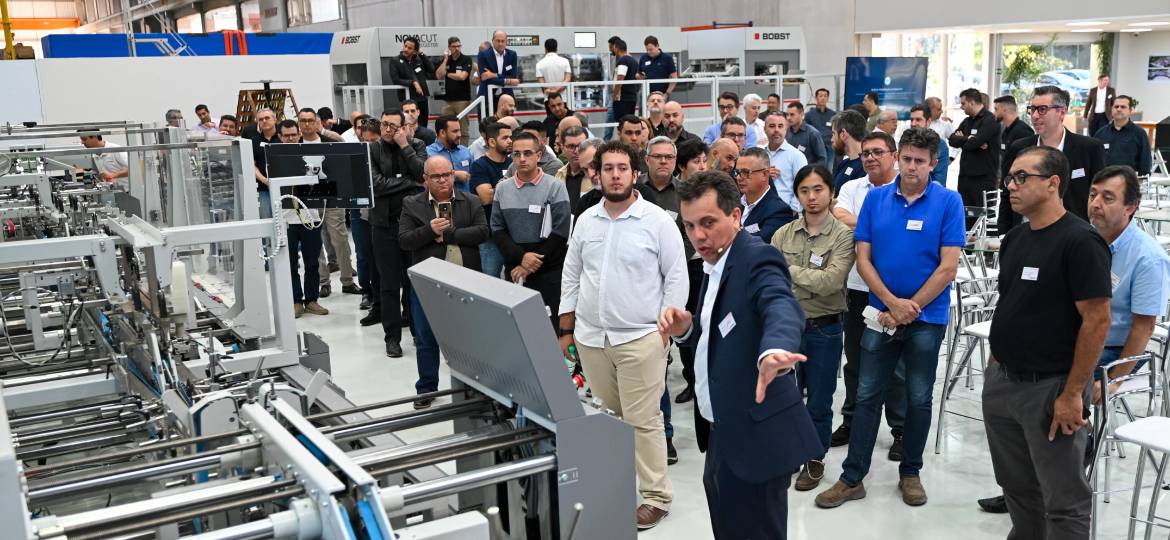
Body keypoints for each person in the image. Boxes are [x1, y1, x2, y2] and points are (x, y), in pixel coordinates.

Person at [658, 170, 821, 540]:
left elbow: (779, 304)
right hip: (722, 432)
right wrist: (687, 330)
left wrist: (775, 349)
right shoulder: (714, 263)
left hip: (755, 439)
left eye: (708, 223)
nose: (698, 236)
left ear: (735, 216)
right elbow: (721, 335)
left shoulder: (757, 258)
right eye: (689, 226)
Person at [816, 128, 964, 510]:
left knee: (919, 397)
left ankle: (910, 473)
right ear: (898, 158)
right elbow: (863, 259)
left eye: (920, 161)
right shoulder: (876, 199)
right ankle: (852, 478)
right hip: (880, 314)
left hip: (926, 317)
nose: (912, 167)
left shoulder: (949, 202)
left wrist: (909, 307)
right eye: (907, 158)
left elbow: (948, 268)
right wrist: (891, 304)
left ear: (934, 163)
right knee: (866, 394)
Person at [982, 145, 1111, 539]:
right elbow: (1011, 303)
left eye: (1022, 177)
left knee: (1064, 499)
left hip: (1052, 388)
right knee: (1017, 486)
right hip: (1004, 381)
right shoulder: (1015, 239)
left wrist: (1073, 393)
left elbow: (1097, 319)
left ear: (1054, 183)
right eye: (1010, 178)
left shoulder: (1080, 241)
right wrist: (995, 365)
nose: (1011, 186)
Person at [560, 140, 686, 530]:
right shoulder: (587, 220)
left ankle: (656, 497)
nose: (615, 175)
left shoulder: (657, 221)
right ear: (596, 174)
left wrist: (663, 330)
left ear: (634, 173)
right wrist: (566, 328)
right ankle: (615, 488)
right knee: (608, 420)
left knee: (643, 419)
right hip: (592, 339)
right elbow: (571, 274)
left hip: (640, 338)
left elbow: (676, 276)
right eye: (608, 168)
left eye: (622, 168)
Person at [771, 164, 855, 491]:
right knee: (785, 397)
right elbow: (771, 280)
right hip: (787, 327)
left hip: (825, 329)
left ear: (832, 193)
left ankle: (814, 457)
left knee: (819, 401)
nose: (812, 197)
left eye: (818, 189)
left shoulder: (843, 236)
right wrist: (802, 279)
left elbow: (831, 282)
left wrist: (789, 270)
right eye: (804, 191)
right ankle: (792, 451)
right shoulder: (783, 234)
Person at [829, 131, 907, 452]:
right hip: (857, 287)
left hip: (894, 290)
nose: (871, 158)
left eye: (878, 152)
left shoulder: (905, 188)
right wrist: (876, 225)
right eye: (865, 153)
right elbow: (838, 214)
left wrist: (862, 227)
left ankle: (901, 429)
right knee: (856, 360)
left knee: (896, 365)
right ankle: (852, 420)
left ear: (894, 156)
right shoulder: (852, 187)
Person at [400, 155, 490, 409]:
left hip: (466, 282)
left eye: (447, 175)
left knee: (470, 338)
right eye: (436, 176)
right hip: (428, 284)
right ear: (425, 179)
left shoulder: (470, 201)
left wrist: (449, 234)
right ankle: (426, 388)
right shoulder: (412, 204)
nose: (443, 180)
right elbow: (405, 240)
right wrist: (430, 231)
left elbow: (483, 232)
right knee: (426, 339)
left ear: (453, 175)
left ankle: (473, 388)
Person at [1087, 165, 1169, 402]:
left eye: (1107, 198)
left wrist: (1115, 379)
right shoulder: (1084, 240)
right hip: (1078, 336)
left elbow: (1144, 327)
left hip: (1113, 349)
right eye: (1093, 195)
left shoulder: (1148, 258)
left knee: (1051, 377)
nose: (1095, 204)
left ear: (1130, 208)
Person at [490, 131, 571, 329]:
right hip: (515, 271)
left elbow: (561, 232)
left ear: (539, 154)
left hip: (549, 272)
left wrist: (529, 265)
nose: (522, 159)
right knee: (519, 330)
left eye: (527, 153)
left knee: (550, 330)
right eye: (516, 154)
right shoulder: (502, 189)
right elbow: (497, 229)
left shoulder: (555, 186)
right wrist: (521, 258)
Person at [999, 86, 1106, 232]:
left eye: (1042, 109)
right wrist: (1003, 235)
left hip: (1074, 234)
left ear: (1061, 112)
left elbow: (1099, 194)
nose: (1035, 116)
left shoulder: (1089, 148)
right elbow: (1006, 194)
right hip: (1026, 232)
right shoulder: (1019, 148)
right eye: (1032, 109)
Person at [369, 109, 426, 358]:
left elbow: (422, 173)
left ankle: (417, 331)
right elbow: (377, 185)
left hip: (413, 225)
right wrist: (411, 183)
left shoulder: (417, 145)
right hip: (384, 225)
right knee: (389, 284)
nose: (387, 129)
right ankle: (392, 338)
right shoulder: (372, 149)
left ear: (403, 127)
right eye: (384, 124)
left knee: (413, 282)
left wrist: (405, 146)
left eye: (393, 126)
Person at [293, 108, 357, 299]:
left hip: (332, 195)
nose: (307, 124)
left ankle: (347, 280)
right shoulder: (295, 147)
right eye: (303, 121)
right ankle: (323, 282)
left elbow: (342, 169)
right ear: (299, 124)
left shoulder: (331, 143)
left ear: (317, 122)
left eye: (310, 120)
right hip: (307, 197)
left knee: (340, 238)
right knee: (315, 242)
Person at [273, 119, 330, 318]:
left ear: (299, 134)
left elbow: (324, 183)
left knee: (312, 262)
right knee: (290, 264)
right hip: (286, 220)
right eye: (286, 136)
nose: (290, 138)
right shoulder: (274, 158)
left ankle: (312, 300)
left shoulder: (311, 157)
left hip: (310, 218)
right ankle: (296, 301)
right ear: (280, 137)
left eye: (293, 135)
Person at [469, 121, 513, 278]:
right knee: (489, 281)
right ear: (492, 142)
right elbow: (486, 197)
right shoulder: (479, 166)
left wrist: (501, 187)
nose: (510, 141)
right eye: (505, 138)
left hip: (512, 234)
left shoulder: (513, 163)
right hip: (490, 236)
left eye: (511, 137)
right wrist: (510, 186)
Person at [948, 88, 1002, 209]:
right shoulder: (967, 121)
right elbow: (952, 139)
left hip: (984, 179)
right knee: (964, 214)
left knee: (983, 215)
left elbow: (974, 143)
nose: (961, 107)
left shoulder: (990, 120)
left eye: (963, 103)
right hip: (965, 178)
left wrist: (966, 140)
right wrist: (968, 139)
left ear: (972, 102)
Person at [738, 147, 794, 241]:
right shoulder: (732, 202)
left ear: (764, 174)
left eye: (745, 172)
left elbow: (759, 243)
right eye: (737, 172)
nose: (739, 178)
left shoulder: (779, 211)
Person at [763, 111, 809, 212]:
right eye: (772, 126)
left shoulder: (796, 156)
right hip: (760, 210)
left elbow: (803, 186)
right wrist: (763, 175)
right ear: (764, 129)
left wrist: (792, 210)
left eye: (780, 126)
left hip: (785, 212)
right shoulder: (759, 154)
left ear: (786, 128)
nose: (776, 130)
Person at [1094, 95, 1153, 175]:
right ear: (1111, 109)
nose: (1119, 109)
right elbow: (1094, 159)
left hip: (1129, 180)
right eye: (1116, 106)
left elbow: (1145, 162)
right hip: (1106, 179)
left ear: (1130, 110)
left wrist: (1143, 179)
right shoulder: (1101, 133)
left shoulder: (1139, 134)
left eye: (1123, 107)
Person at [435, 36, 475, 146]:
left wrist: (447, 74)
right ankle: (448, 149)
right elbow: (438, 75)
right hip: (448, 101)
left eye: (458, 46)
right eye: (454, 46)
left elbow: (462, 77)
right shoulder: (446, 60)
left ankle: (463, 150)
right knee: (445, 127)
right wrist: (445, 60)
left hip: (462, 101)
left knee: (463, 129)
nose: (457, 48)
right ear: (449, 47)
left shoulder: (466, 59)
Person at [426, 115, 473, 192]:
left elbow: (474, 177)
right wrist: (455, 175)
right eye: (455, 131)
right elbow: (427, 179)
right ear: (442, 133)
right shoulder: (428, 153)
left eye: (459, 130)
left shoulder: (465, 151)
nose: (459, 135)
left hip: (466, 198)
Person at [477, 30, 522, 109]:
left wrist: (494, 75)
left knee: (507, 117)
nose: (500, 44)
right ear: (493, 41)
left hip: (506, 97)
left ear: (506, 42)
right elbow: (485, 78)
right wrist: (507, 81)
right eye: (498, 41)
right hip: (487, 97)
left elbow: (513, 76)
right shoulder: (483, 55)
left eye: (502, 41)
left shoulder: (512, 54)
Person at [250, 108, 280, 218]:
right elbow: (251, 165)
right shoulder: (254, 141)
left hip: (284, 186)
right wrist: (264, 180)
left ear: (275, 119)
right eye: (261, 119)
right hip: (263, 188)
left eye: (267, 118)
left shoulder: (283, 138)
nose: (264, 121)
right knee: (266, 218)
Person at [554, 126, 593, 210]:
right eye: (571, 146)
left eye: (581, 146)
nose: (576, 151)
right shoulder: (559, 175)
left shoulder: (597, 175)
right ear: (562, 148)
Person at [830, 109, 868, 193]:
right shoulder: (843, 163)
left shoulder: (866, 166)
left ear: (843, 134)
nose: (831, 139)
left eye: (833, 134)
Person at [909, 105, 948, 184]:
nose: (913, 123)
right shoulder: (906, 142)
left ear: (928, 122)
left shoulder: (940, 145)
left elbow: (939, 181)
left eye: (918, 120)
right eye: (912, 120)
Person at [785, 102, 827, 166]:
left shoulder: (813, 134)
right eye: (787, 115)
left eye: (792, 114)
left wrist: (808, 169)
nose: (788, 118)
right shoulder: (786, 133)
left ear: (801, 115)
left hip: (807, 171)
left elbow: (822, 160)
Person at [804, 88, 838, 165]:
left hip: (830, 147)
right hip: (815, 147)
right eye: (820, 96)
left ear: (828, 98)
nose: (823, 98)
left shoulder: (833, 115)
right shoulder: (809, 115)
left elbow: (836, 130)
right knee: (817, 168)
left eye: (825, 96)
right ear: (816, 98)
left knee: (829, 168)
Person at [610, 38, 640, 122]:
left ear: (616, 48)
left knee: (622, 123)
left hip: (623, 99)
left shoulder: (623, 60)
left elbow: (620, 78)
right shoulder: (634, 61)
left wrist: (615, 95)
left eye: (614, 48)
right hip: (632, 98)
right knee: (629, 122)